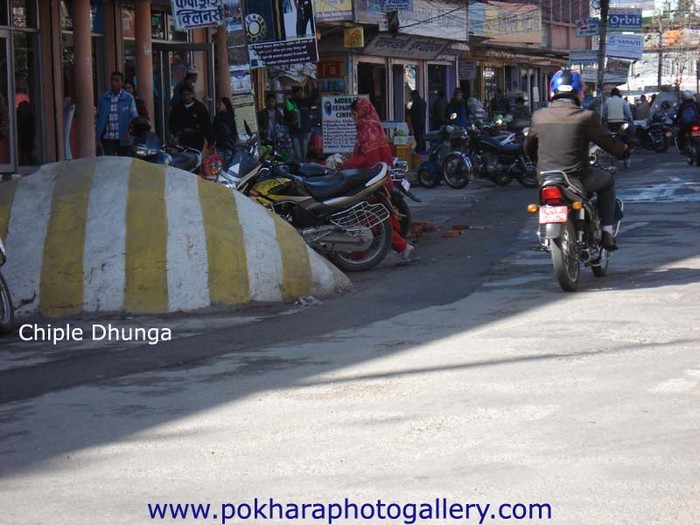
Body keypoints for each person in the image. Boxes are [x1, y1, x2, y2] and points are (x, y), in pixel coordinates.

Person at [524, 69, 629, 251]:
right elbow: (610, 145)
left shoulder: (538, 116)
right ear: (579, 92)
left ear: (552, 92)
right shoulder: (586, 117)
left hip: (546, 178)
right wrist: (624, 149)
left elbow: (528, 148)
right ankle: (607, 233)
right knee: (607, 182)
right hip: (578, 178)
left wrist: (538, 162)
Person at [341, 97, 420, 266]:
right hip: (374, 178)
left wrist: (345, 164)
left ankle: (399, 248)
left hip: (372, 180)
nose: (353, 118)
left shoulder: (368, 129)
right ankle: (361, 254)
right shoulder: (369, 126)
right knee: (374, 217)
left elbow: (368, 160)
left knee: (371, 218)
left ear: (361, 112)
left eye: (354, 114)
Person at [95, 71, 138, 156]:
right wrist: (97, 135)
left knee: (124, 162)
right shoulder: (103, 98)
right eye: (112, 80)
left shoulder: (129, 98)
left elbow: (133, 117)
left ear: (122, 82)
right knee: (109, 162)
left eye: (117, 80)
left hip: (124, 138)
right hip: (107, 138)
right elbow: (98, 118)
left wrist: (130, 133)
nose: (113, 83)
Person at [168, 84, 212, 151]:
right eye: (184, 95)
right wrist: (177, 133)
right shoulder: (177, 109)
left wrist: (210, 141)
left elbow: (206, 123)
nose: (186, 97)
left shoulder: (199, 107)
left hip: (197, 139)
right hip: (182, 139)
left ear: (192, 95)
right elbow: (171, 122)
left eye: (188, 94)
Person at [284, 86, 313, 162]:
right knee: (298, 155)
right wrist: (291, 120)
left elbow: (315, 97)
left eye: (301, 91)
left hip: (305, 131)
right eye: (298, 92)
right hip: (294, 131)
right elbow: (285, 118)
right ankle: (299, 166)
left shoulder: (306, 101)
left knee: (304, 153)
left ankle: (303, 166)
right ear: (294, 93)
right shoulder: (290, 103)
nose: (300, 93)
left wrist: (313, 85)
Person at [212, 97, 239, 165]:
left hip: (229, 145)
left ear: (225, 105)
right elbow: (213, 130)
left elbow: (235, 130)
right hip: (219, 145)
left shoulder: (232, 116)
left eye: (220, 104)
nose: (218, 106)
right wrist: (212, 142)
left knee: (228, 165)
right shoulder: (217, 116)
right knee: (219, 165)